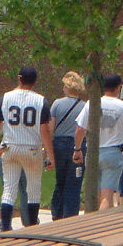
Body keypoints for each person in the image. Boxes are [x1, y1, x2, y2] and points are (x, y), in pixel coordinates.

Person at [72, 74, 123, 210]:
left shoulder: (92, 103)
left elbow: (80, 129)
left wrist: (77, 149)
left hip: (93, 152)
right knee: (107, 195)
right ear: (118, 88)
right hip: (112, 152)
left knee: (98, 194)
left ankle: (96, 222)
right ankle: (103, 226)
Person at [0, 66, 55, 231]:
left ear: (19, 78)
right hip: (32, 148)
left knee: (9, 188)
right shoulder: (41, 100)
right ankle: (32, 226)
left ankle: (5, 226)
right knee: (33, 188)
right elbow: (44, 130)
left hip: (10, 147)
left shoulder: (5, 97)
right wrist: (50, 155)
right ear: (34, 81)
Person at [49, 71, 86, 220]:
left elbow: (50, 129)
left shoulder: (57, 104)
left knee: (60, 181)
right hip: (78, 145)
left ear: (67, 87)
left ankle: (56, 214)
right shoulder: (85, 106)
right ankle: (70, 215)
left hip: (59, 144)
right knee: (74, 182)